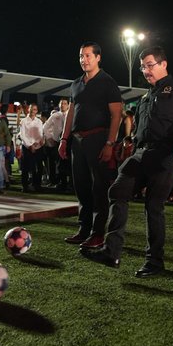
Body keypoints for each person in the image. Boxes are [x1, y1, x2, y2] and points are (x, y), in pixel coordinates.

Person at [80, 46, 173, 278]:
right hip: (141, 154)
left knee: (153, 206)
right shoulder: (146, 96)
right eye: (142, 67)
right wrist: (130, 143)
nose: (145, 70)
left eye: (150, 65)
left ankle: (155, 261)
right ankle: (111, 251)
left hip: (166, 154)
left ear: (164, 64)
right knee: (117, 191)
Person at [58, 42, 123, 249]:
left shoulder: (107, 82)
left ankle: (98, 233)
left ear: (98, 58)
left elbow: (117, 115)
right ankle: (84, 229)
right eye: (81, 56)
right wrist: (64, 139)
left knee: (99, 188)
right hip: (77, 141)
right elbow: (71, 113)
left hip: (98, 139)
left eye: (87, 56)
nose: (83, 60)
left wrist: (110, 143)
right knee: (81, 187)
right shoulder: (76, 83)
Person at [42, 98, 71, 191]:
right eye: (61, 103)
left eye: (65, 103)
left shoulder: (71, 115)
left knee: (70, 163)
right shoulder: (55, 115)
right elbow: (45, 127)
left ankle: (71, 184)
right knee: (59, 164)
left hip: (70, 142)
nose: (63, 105)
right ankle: (61, 183)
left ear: (68, 105)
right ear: (59, 105)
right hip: (58, 142)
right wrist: (50, 138)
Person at [18, 103, 45, 192]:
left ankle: (36, 185)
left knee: (38, 167)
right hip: (27, 147)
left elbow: (40, 134)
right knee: (25, 168)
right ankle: (25, 186)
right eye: (31, 109)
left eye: (35, 109)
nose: (33, 111)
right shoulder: (23, 121)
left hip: (38, 147)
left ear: (37, 111)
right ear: (28, 110)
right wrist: (30, 145)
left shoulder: (39, 122)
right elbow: (22, 135)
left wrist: (38, 143)